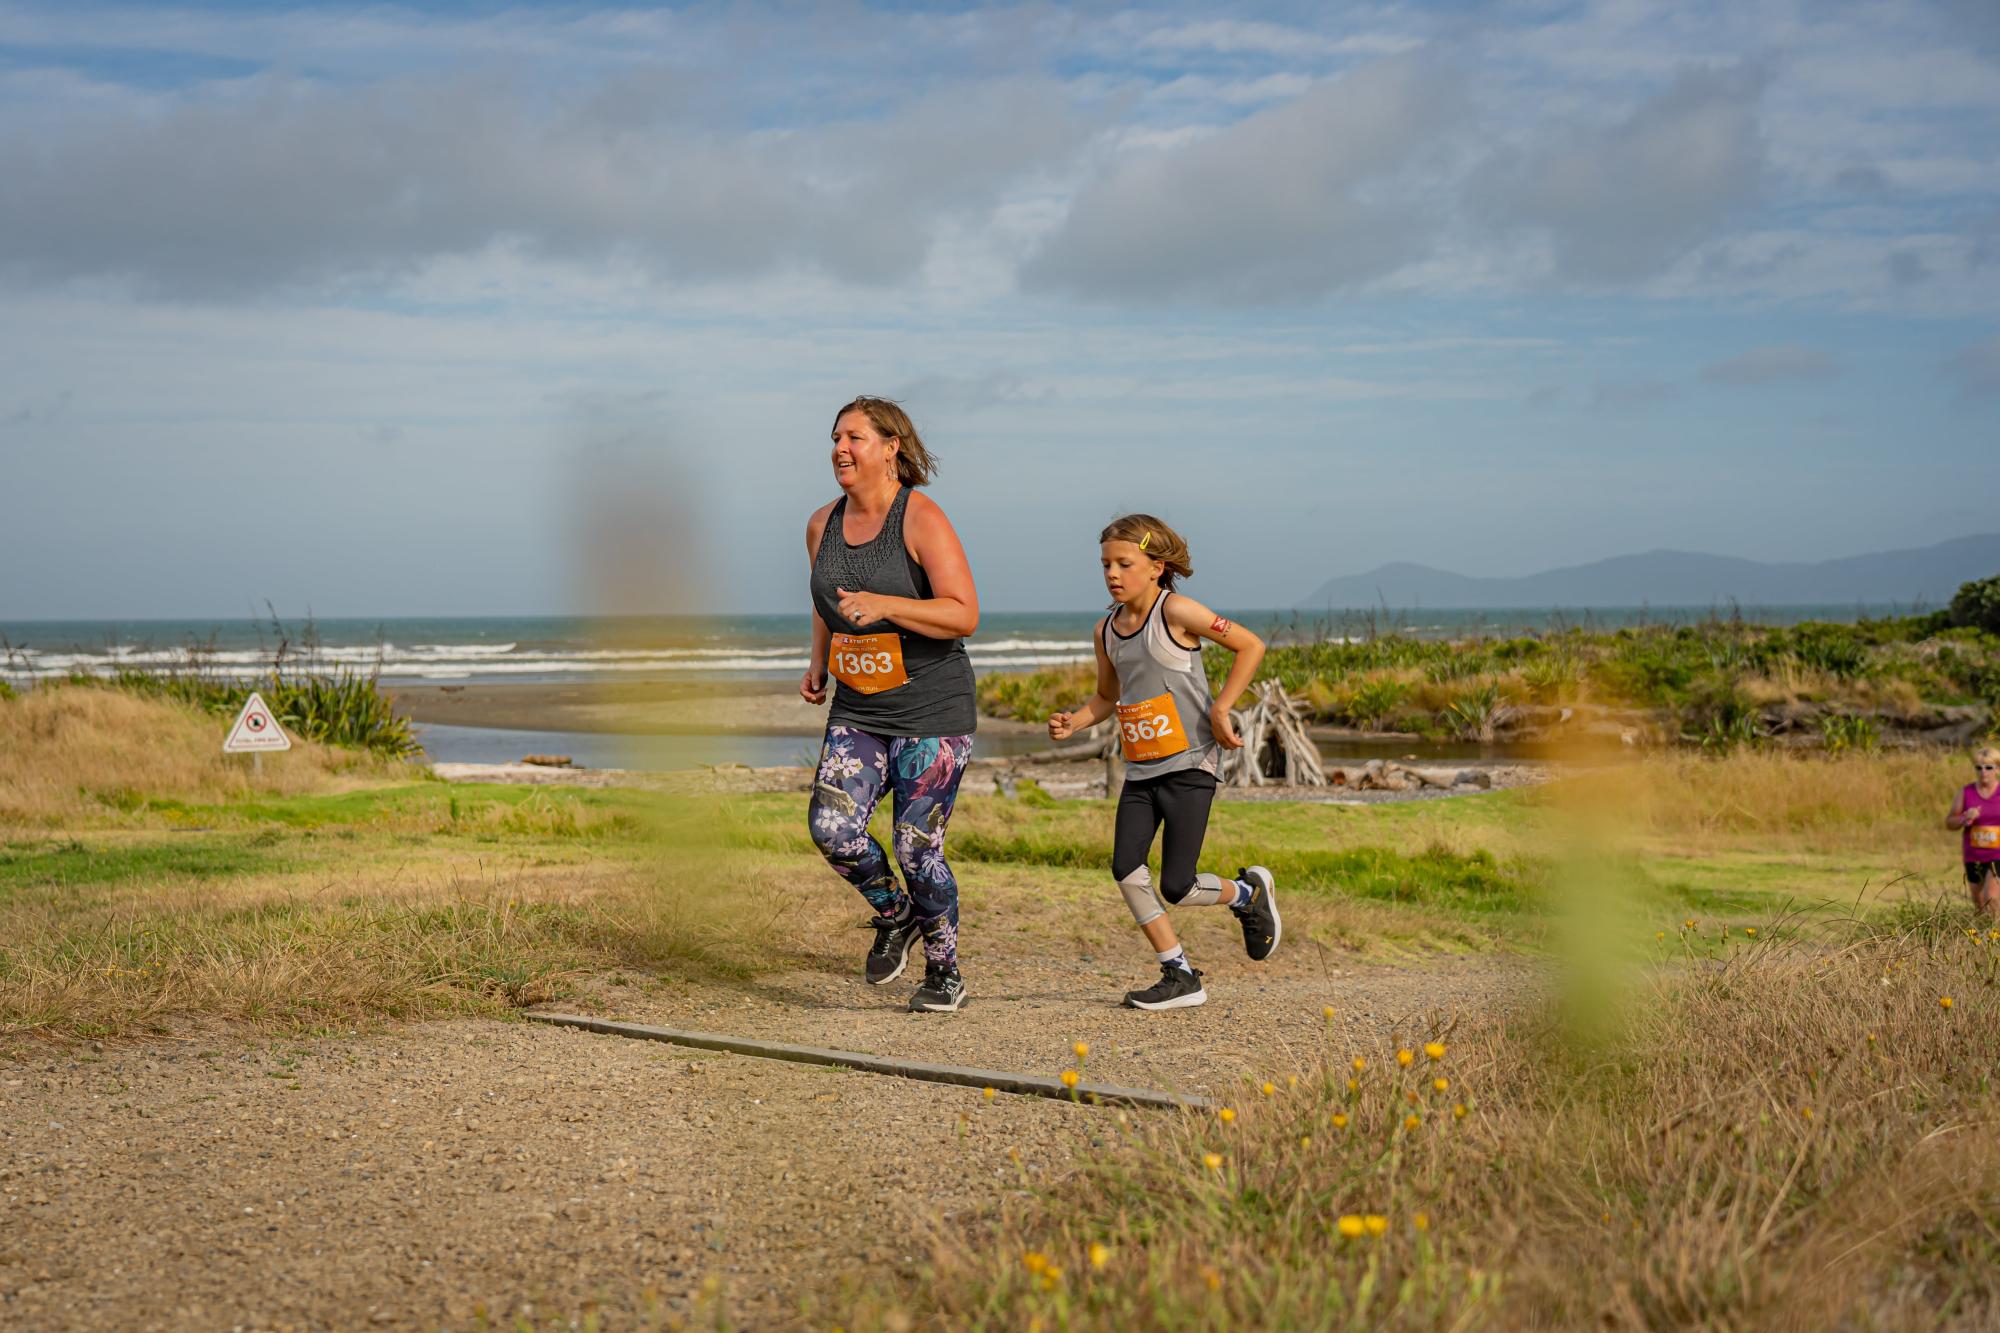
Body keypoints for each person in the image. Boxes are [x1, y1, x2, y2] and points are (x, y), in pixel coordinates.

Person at [1046, 514, 1277, 1010]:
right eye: (1105, 564)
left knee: (1178, 885)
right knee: (1126, 869)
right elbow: (1107, 696)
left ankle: (1247, 894)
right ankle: (1180, 974)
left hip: (1190, 764)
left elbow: (1249, 645)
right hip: (1142, 769)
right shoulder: (1106, 630)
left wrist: (1221, 708)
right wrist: (1074, 722)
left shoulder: (1177, 611)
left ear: (1157, 567)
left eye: (1124, 563)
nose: (1112, 573)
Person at [801, 397, 979, 1013]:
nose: (840, 449)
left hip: (933, 708)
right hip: (858, 706)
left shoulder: (921, 517)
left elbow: (963, 613)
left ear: (890, 447)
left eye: (854, 437)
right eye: (835, 438)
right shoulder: (821, 525)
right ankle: (897, 913)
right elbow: (827, 601)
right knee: (832, 828)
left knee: (914, 846)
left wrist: (885, 605)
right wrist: (818, 660)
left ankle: (945, 972)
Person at [1948, 746, 2000, 918]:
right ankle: (1981, 932)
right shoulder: (1966, 792)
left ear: (1997, 769)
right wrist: (1965, 817)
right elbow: (1950, 822)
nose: (1983, 772)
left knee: (1990, 896)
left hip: (1998, 854)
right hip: (1974, 855)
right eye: (1979, 767)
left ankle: (1995, 930)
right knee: (1979, 902)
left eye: (1988, 767)